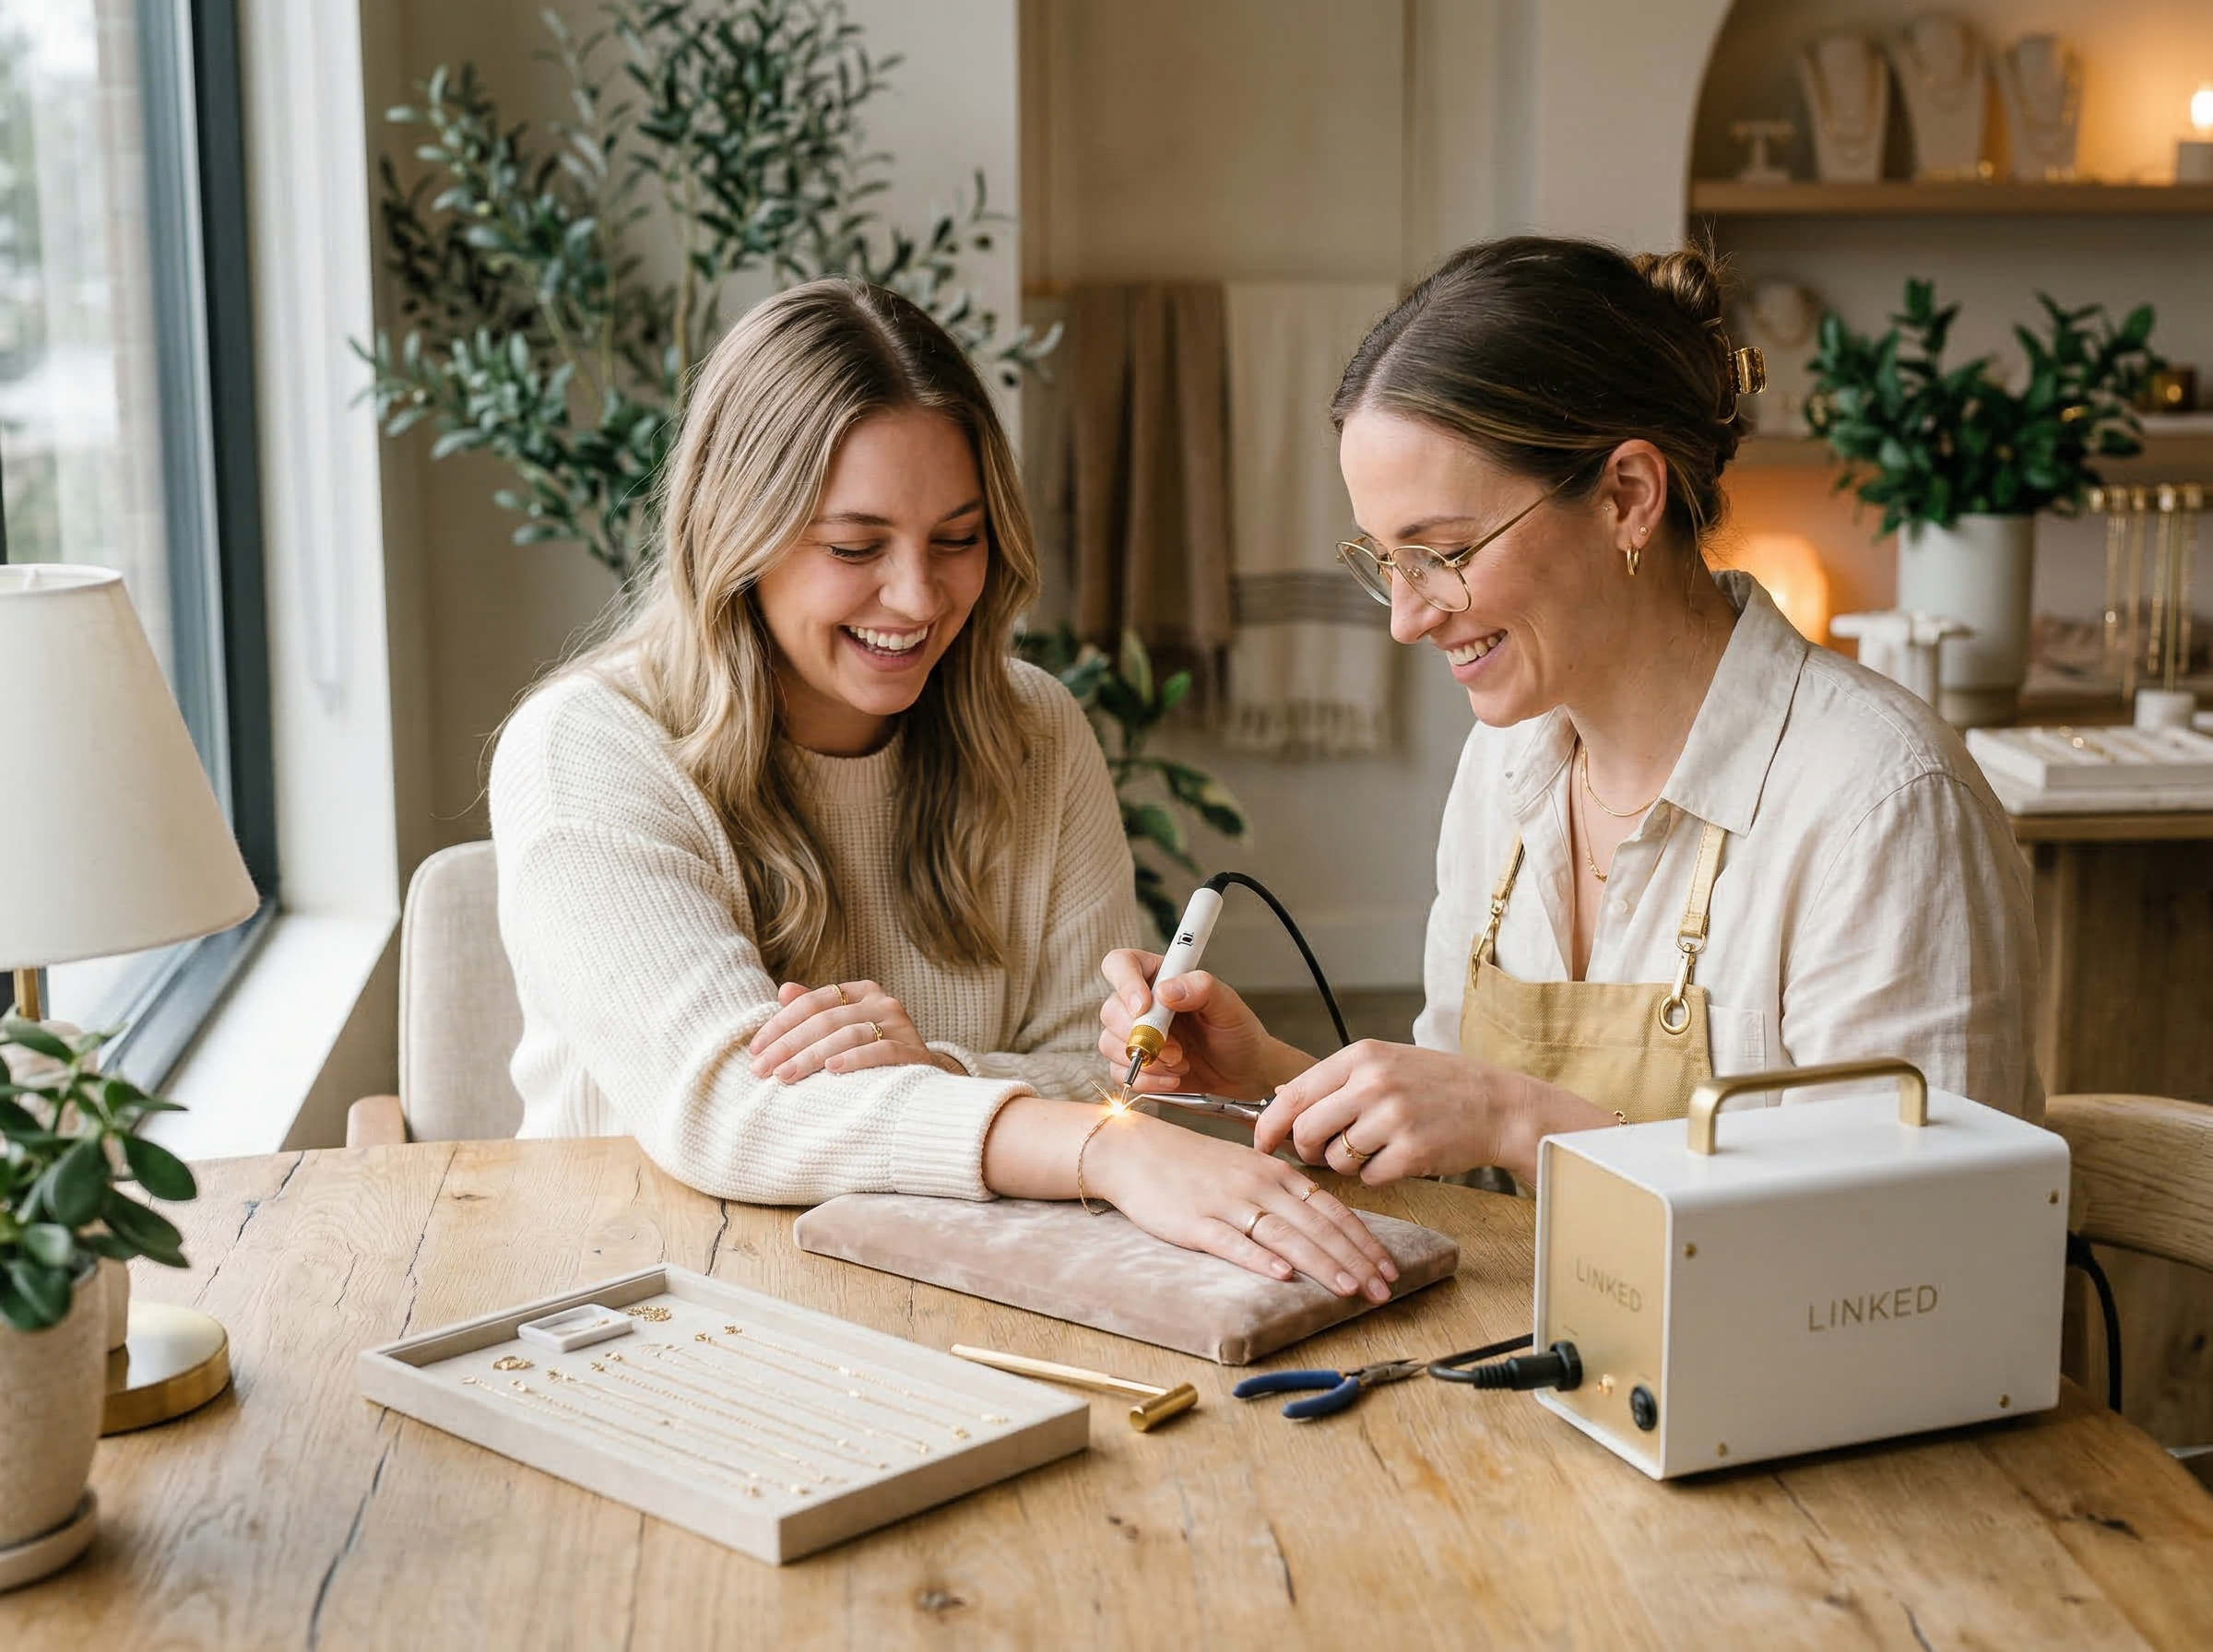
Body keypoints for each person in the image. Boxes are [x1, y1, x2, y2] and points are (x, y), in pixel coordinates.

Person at [491, 278, 1394, 1299]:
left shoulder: (1036, 732)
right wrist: (1103, 1152)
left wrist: (941, 1074)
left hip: (973, 1294)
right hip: (646, 1300)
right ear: (734, 533)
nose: (918, 597)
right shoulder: (587, 748)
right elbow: (728, 1112)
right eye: (854, 546)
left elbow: (1110, 1076)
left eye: (957, 538)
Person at [1097, 237, 2040, 1188]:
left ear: (1627, 497)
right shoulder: (1503, 768)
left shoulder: (1881, 808)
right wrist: (1276, 1079)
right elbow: (1465, 1185)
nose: (1408, 617)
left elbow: (1903, 1262)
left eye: (1447, 552)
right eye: (1387, 560)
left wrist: (1516, 1115)